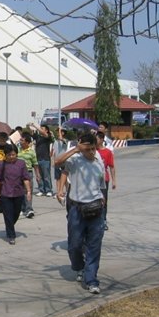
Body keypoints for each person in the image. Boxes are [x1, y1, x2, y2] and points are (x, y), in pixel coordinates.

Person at [54, 133, 106, 294]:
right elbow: (57, 163)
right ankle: (79, 266)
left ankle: (92, 280)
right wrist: (76, 149)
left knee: (94, 245)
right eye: (87, 149)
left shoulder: (98, 161)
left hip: (96, 208)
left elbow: (101, 184)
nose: (91, 152)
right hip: (77, 209)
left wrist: (103, 199)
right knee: (75, 245)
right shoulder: (75, 160)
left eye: (93, 149)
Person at [0, 144, 31, 245]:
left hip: (18, 193)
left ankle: (9, 226)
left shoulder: (21, 163)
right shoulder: (1, 164)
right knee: (8, 214)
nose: (11, 157)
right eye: (9, 155)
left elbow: (26, 178)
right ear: (5, 155)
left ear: (16, 154)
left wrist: (28, 191)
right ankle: (11, 236)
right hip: (6, 194)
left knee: (16, 214)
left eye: (13, 155)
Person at [17, 133, 40, 218]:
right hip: (18, 173)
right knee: (19, 191)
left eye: (22, 140)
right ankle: (21, 208)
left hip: (28, 173)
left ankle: (29, 209)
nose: (20, 141)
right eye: (20, 140)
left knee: (28, 191)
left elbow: (35, 164)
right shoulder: (17, 150)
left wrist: (37, 175)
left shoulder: (31, 152)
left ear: (27, 142)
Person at [96, 131, 116, 230]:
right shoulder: (92, 151)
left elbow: (111, 167)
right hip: (92, 180)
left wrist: (114, 181)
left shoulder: (108, 152)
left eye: (96, 139)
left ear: (101, 139)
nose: (95, 141)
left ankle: (103, 220)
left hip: (104, 180)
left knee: (103, 201)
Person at [32, 123, 55, 197]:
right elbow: (33, 135)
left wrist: (35, 126)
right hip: (37, 158)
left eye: (42, 128)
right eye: (40, 128)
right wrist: (31, 127)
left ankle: (48, 190)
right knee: (39, 176)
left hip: (45, 159)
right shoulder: (38, 137)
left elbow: (44, 133)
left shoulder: (48, 137)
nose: (40, 129)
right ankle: (41, 190)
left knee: (46, 176)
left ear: (46, 130)